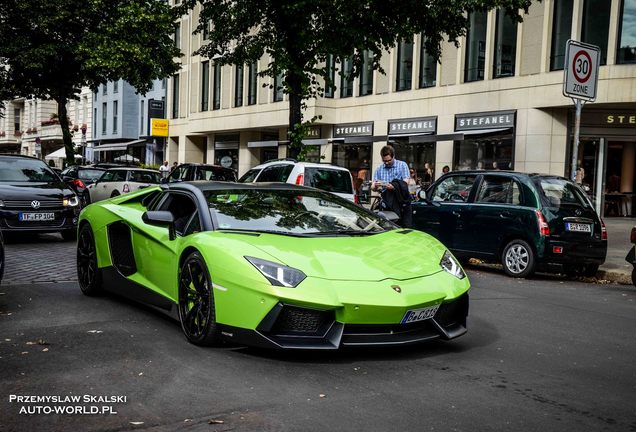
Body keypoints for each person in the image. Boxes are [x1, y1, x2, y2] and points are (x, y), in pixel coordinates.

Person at [372, 145, 412, 227]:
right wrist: (375, 186)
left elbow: (406, 182)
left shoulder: (402, 165)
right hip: (387, 204)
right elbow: (373, 187)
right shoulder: (379, 169)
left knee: (403, 228)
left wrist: (394, 186)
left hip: (401, 203)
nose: (386, 163)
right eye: (384, 161)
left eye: (388, 160)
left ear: (393, 156)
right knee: (388, 228)